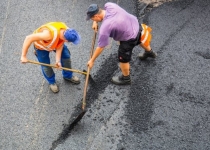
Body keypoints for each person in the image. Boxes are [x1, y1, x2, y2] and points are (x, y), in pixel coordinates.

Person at [86, 3, 157, 85]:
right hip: (135, 24)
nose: (92, 20)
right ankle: (149, 52)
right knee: (140, 39)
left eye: (92, 18)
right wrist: (95, 21)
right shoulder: (109, 5)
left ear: (96, 16)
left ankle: (126, 78)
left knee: (123, 58)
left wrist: (92, 60)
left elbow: (101, 46)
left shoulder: (105, 28)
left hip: (129, 37)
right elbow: (99, 16)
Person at [21, 22, 81, 93]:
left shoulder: (66, 31)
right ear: (66, 40)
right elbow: (29, 38)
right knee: (45, 65)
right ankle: (52, 82)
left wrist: (57, 61)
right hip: (41, 47)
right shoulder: (48, 34)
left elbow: (60, 45)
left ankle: (68, 76)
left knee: (66, 56)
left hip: (54, 43)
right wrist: (23, 56)